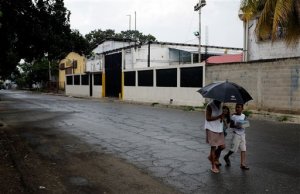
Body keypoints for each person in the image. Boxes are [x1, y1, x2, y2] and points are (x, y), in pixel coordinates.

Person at [223, 103, 250, 170]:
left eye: (239, 107)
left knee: (243, 149)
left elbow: (247, 124)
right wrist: (237, 125)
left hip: (242, 135)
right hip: (236, 134)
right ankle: (226, 156)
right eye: (236, 107)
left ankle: (242, 164)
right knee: (233, 150)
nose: (237, 108)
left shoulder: (244, 116)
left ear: (242, 109)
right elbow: (231, 125)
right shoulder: (233, 116)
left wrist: (243, 125)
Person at [205, 100, 225, 173]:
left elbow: (220, 118)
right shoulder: (209, 105)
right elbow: (208, 118)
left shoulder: (220, 105)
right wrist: (219, 116)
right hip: (211, 128)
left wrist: (223, 117)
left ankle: (211, 157)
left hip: (219, 129)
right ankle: (213, 166)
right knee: (213, 148)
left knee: (222, 146)